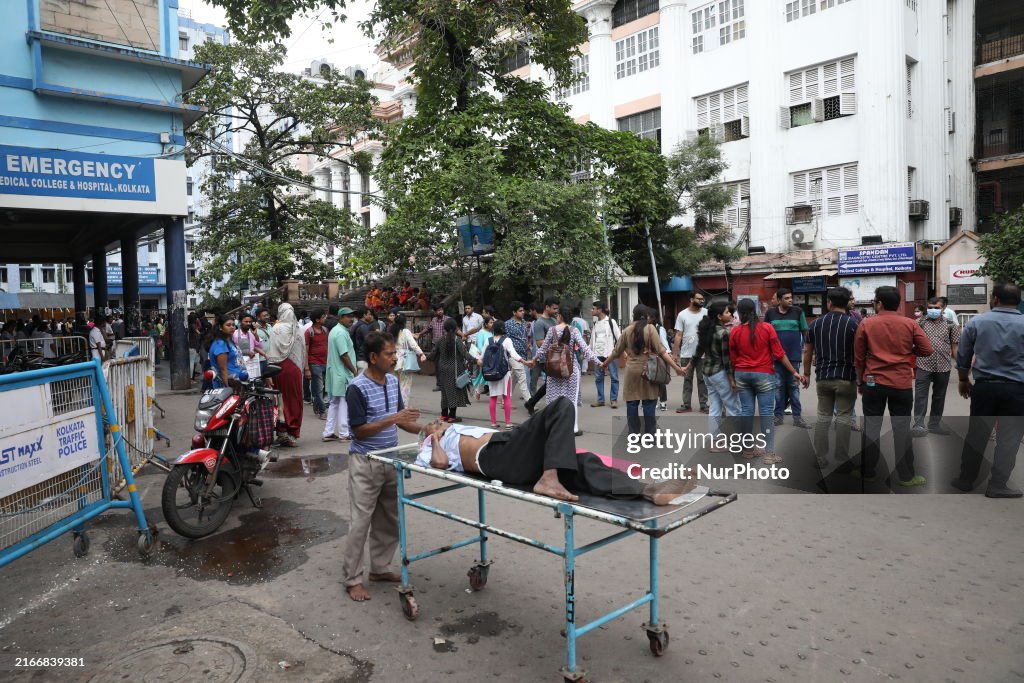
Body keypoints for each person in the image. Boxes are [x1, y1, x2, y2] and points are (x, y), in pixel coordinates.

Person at [416, 397, 694, 504]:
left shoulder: (455, 429)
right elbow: (439, 465)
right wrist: (435, 437)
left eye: (437, 421)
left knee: (584, 462)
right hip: (495, 457)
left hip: (510, 450)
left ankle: (649, 490)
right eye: (432, 423)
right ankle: (549, 478)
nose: (437, 422)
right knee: (561, 405)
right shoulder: (431, 446)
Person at [342, 332, 426, 602]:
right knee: (360, 523)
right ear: (374, 357)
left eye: (395, 353)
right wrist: (394, 418)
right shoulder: (356, 387)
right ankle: (353, 579)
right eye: (390, 354)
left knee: (389, 519)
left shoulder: (392, 380)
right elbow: (358, 431)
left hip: (391, 460)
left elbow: (401, 422)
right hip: (365, 462)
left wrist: (427, 430)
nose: (395, 358)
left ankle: (379, 568)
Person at [853, 286, 934, 486]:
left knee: (871, 427)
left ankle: (868, 471)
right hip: (901, 383)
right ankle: (906, 475)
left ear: (879, 303)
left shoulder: (866, 324)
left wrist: (860, 381)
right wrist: (907, 350)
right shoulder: (910, 324)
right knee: (902, 429)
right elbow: (927, 349)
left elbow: (859, 357)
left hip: (873, 381)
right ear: (898, 303)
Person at [952, 283, 1024, 498]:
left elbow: (963, 354)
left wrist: (963, 379)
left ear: (994, 299)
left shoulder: (977, 322)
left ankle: (966, 480)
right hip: (1017, 390)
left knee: (977, 433)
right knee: (1009, 438)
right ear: (1018, 301)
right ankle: (998, 485)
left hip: (985, 388)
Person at [729, 299, 806, 466]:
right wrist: (794, 372)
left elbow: (732, 359)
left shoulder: (735, 331)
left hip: (742, 375)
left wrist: (732, 379)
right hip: (763, 375)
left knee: (746, 411)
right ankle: (769, 454)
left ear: (740, 313)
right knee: (766, 413)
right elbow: (779, 353)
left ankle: (748, 450)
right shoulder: (767, 328)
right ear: (755, 311)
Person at [600, 305, 684, 436]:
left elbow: (616, 352)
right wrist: (676, 368)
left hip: (632, 371)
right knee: (649, 403)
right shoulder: (650, 329)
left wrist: (605, 364)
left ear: (633, 315)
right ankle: (649, 435)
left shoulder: (627, 330)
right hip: (648, 371)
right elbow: (662, 352)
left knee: (632, 404)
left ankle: (634, 434)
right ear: (646, 315)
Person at [802, 288, 859, 469]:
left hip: (823, 378)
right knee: (844, 418)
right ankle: (842, 459)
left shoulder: (815, 324)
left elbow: (807, 352)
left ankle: (820, 458)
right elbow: (859, 354)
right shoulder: (853, 325)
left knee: (823, 417)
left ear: (829, 303)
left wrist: (807, 375)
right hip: (846, 378)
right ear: (847, 302)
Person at [535, 309, 600, 436]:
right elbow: (585, 349)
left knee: (553, 400)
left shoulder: (551, 330)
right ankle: (574, 428)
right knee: (571, 400)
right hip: (571, 371)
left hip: (554, 370)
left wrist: (533, 360)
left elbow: (542, 350)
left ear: (559, 316)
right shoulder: (574, 330)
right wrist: (599, 362)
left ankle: (552, 428)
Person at [687, 301, 739, 447]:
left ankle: (715, 441)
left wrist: (689, 366)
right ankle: (741, 441)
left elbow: (698, 350)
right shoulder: (724, 333)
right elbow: (726, 359)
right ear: (719, 316)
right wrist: (732, 379)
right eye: (728, 313)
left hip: (707, 372)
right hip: (720, 373)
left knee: (715, 407)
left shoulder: (706, 329)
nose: (731, 315)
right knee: (733, 408)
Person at [912, 297, 960, 438]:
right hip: (923, 365)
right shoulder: (919, 322)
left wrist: (961, 365)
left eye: (937, 307)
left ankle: (934, 425)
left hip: (944, 366)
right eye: (930, 307)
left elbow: (955, 347)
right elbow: (911, 342)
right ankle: (918, 424)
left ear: (944, 308)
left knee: (939, 397)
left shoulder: (951, 325)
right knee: (921, 396)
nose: (933, 310)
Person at [765, 288, 811, 429]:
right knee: (778, 387)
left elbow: (805, 331)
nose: (790, 300)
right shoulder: (770, 313)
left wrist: (809, 350)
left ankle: (798, 418)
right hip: (775, 358)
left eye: (791, 297)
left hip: (794, 357)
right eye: (786, 298)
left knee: (793, 387)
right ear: (779, 300)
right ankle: (778, 417)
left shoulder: (798, 312)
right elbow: (764, 333)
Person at [476, 319, 533, 430]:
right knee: (506, 397)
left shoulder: (489, 340)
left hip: (491, 373)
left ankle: (493, 423)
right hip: (503, 373)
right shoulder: (506, 340)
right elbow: (514, 354)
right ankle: (507, 423)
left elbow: (481, 357)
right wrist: (525, 362)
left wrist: (478, 360)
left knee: (493, 397)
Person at [266, 303, 306, 448]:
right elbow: (303, 351)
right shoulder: (298, 329)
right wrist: (304, 368)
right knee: (294, 399)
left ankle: (282, 432)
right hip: (294, 368)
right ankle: (292, 433)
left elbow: (271, 352)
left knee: (280, 400)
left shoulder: (276, 329)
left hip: (278, 368)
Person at [323, 307, 358, 442]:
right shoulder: (340, 333)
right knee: (344, 402)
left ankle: (328, 432)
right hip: (342, 373)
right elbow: (344, 355)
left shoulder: (337, 331)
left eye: (352, 316)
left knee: (335, 403)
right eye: (348, 316)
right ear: (340, 318)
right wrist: (354, 371)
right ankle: (344, 433)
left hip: (336, 372)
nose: (351, 319)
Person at [427, 318, 471, 422]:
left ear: (445, 328)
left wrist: (424, 357)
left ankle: (443, 415)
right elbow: (465, 354)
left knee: (445, 392)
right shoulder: (457, 341)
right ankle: (452, 416)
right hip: (455, 370)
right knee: (453, 393)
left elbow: (433, 355)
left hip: (442, 369)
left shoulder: (440, 340)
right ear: (456, 328)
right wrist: (476, 360)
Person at [673, 292, 709, 414]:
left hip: (703, 354)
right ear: (691, 299)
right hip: (686, 354)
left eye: (702, 299)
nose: (701, 301)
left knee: (702, 379)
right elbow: (678, 335)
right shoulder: (682, 315)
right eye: (699, 299)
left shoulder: (706, 313)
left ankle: (704, 405)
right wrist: (674, 354)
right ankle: (686, 404)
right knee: (687, 380)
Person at [525, 298, 559, 412]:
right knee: (552, 382)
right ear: (547, 307)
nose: (556, 310)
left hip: (554, 357)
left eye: (557, 308)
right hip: (545, 359)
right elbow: (540, 343)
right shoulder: (540, 323)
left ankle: (531, 403)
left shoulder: (554, 321)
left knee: (551, 382)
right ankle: (537, 404)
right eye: (554, 308)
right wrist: (556, 346)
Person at [390, 313, 426, 408]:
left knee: (394, 385)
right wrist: (421, 353)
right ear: (404, 322)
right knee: (404, 385)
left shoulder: (391, 330)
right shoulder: (405, 331)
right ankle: (403, 407)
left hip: (392, 360)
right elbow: (413, 344)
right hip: (404, 362)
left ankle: (393, 405)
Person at [590, 300, 621, 409]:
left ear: (599, 310)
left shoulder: (611, 322)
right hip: (598, 354)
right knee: (598, 377)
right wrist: (590, 353)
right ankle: (600, 399)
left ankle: (613, 400)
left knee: (614, 376)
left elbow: (619, 337)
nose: (592, 310)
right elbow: (593, 340)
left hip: (610, 353)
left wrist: (622, 352)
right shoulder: (595, 324)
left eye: (593, 308)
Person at [504, 301, 532, 403]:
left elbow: (525, 337)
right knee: (522, 377)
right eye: (520, 311)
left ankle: (505, 399)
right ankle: (530, 403)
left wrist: (528, 344)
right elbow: (504, 340)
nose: (523, 312)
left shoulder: (524, 322)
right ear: (514, 312)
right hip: (513, 355)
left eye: (523, 310)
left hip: (523, 354)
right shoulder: (507, 324)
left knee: (513, 378)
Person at [207, 314, 245, 389]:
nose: (232, 327)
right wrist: (228, 388)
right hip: (229, 385)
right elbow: (223, 369)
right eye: (228, 325)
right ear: (221, 328)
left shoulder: (229, 340)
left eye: (233, 325)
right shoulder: (220, 344)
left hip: (238, 381)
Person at [305, 309, 330, 419]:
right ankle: (322, 411)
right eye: (323, 317)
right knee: (319, 388)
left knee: (325, 388)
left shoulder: (325, 330)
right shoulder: (309, 332)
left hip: (326, 362)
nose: (325, 319)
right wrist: (306, 368)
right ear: (317, 319)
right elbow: (305, 350)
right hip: (314, 364)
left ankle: (317, 403)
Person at [648, 309, 671, 411]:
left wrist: (669, 355)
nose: (646, 318)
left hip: (660, 357)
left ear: (654, 318)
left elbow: (664, 343)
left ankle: (663, 402)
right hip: (650, 357)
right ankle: (654, 401)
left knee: (660, 380)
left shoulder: (659, 329)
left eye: (648, 316)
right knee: (651, 379)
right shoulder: (647, 328)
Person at [425, 304, 452, 392]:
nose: (440, 311)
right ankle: (439, 384)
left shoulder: (448, 319)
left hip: (446, 345)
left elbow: (455, 329)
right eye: (438, 310)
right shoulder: (433, 320)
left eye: (441, 310)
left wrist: (462, 335)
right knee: (437, 366)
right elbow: (427, 329)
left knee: (446, 365)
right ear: (435, 312)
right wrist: (419, 334)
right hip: (435, 346)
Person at [351, 307, 375, 372]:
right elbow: (369, 342)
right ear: (364, 315)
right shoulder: (363, 327)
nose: (370, 316)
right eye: (369, 314)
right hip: (362, 358)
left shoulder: (356, 325)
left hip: (357, 356)